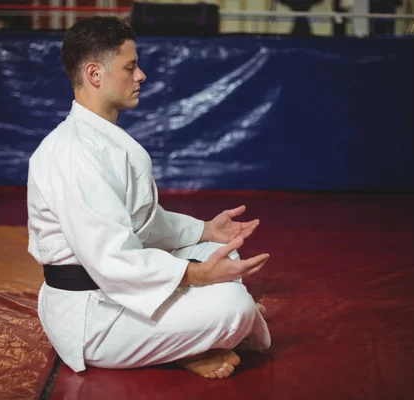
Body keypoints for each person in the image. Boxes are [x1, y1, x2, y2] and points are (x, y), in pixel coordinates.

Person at [27, 16, 271, 379]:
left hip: (117, 290)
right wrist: (201, 276)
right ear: (95, 74)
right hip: (92, 316)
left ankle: (190, 336)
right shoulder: (73, 153)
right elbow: (113, 260)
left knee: (223, 253)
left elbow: (143, 223)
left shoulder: (100, 139)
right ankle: (188, 345)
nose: (140, 75)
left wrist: (206, 230)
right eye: (130, 67)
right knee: (234, 306)